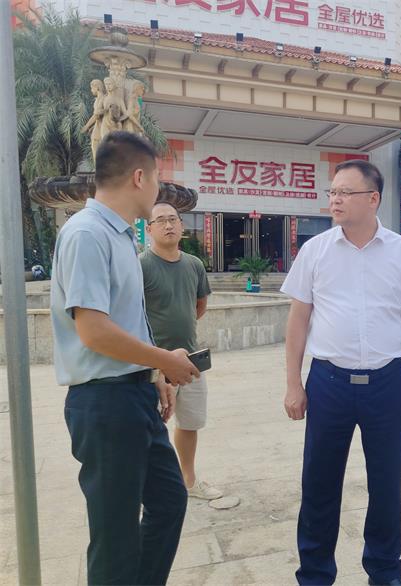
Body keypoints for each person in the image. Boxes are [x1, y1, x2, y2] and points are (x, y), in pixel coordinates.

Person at [50, 131, 200, 585]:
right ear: (139, 177)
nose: (158, 190)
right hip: (105, 403)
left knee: (169, 500)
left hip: (134, 396)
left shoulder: (118, 237)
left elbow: (126, 321)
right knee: (115, 535)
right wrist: (165, 358)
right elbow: (93, 330)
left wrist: (154, 372)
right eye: (156, 179)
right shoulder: (86, 234)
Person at [281, 159, 401, 586]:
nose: (335, 199)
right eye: (332, 192)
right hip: (328, 383)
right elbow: (298, 320)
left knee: (386, 485)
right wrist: (294, 383)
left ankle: (384, 571)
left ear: (373, 199)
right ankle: (315, 574)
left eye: (345, 192)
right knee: (319, 484)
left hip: (387, 384)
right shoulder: (315, 251)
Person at [141, 202, 222, 501]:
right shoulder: (140, 266)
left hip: (190, 360)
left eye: (173, 219)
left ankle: (188, 481)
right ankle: (151, 489)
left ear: (182, 225)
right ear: (149, 229)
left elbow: (199, 306)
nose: (168, 225)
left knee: (190, 423)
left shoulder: (194, 264)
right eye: (161, 220)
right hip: (152, 364)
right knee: (150, 427)